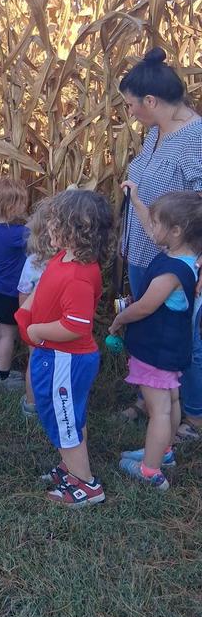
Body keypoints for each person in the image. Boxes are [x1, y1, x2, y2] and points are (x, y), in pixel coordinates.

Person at [119, 46, 202, 439]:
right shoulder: (154, 132)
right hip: (143, 252)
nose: (130, 111)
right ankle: (150, 399)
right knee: (148, 331)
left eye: (132, 104)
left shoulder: (195, 137)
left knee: (184, 338)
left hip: (177, 264)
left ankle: (194, 414)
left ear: (151, 101)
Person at [15, 188, 113, 507]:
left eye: (55, 223)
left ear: (75, 229)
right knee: (68, 415)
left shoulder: (79, 276)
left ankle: (85, 485)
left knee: (65, 421)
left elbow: (75, 326)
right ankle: (71, 469)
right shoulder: (63, 258)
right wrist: (28, 311)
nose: (49, 229)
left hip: (65, 360)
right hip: (55, 356)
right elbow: (44, 289)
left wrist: (35, 329)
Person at [110, 190, 202, 490]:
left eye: (158, 223)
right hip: (173, 346)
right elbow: (150, 226)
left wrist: (120, 319)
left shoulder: (171, 271)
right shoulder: (187, 259)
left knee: (158, 409)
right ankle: (164, 452)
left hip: (157, 349)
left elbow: (147, 306)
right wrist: (136, 199)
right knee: (171, 401)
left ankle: (150, 470)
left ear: (176, 231)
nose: (152, 228)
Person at [0, 177, 28, 391]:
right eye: (21, 204)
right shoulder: (16, 234)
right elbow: (41, 233)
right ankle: (3, 377)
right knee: (9, 334)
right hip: (9, 291)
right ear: (11, 207)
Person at [16, 196, 56, 420]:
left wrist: (25, 318)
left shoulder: (32, 262)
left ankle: (31, 405)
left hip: (36, 323)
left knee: (35, 361)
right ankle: (52, 402)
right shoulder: (67, 262)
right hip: (59, 324)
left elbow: (23, 291)